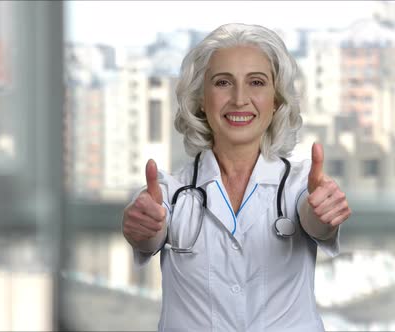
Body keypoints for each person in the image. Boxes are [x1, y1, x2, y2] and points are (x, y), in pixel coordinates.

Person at [122, 23, 351, 332]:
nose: (240, 98)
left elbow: (314, 219)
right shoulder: (170, 192)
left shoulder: (299, 185)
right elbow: (149, 234)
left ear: (277, 100)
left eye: (256, 82)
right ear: (201, 99)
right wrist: (143, 228)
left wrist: (323, 213)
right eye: (222, 83)